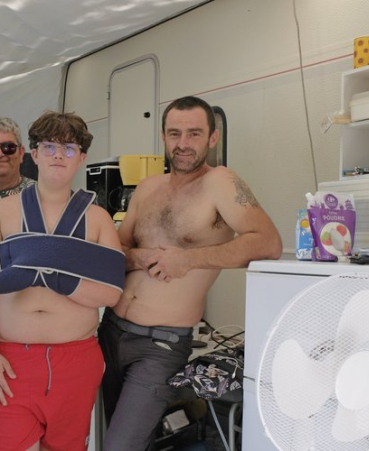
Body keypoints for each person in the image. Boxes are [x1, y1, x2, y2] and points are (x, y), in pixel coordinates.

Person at [98, 96, 283, 450]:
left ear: (212, 138)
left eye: (194, 133)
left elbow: (268, 243)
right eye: (174, 133)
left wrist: (189, 259)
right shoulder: (148, 188)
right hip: (112, 330)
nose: (183, 144)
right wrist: (140, 257)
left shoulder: (221, 183)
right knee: (120, 438)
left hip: (160, 344)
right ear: (164, 137)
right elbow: (115, 255)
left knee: (119, 447)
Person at [0, 111, 125, 451]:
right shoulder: (3, 212)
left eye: (69, 148)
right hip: (9, 362)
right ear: (34, 154)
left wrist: (59, 279)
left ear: (82, 158)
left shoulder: (97, 219)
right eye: (50, 146)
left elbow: (112, 293)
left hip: (74, 361)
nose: (58, 154)